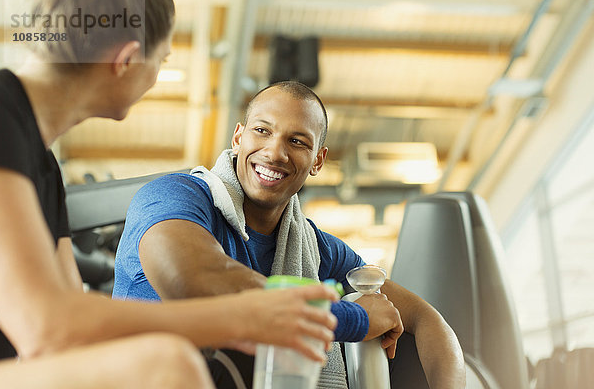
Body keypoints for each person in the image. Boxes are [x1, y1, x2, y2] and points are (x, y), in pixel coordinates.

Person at [0, 0, 340, 387]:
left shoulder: (40, 163)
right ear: (125, 61)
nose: (158, 72)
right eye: (162, 59)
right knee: (167, 364)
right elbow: (45, 328)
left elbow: (69, 321)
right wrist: (243, 317)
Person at [113, 81, 466, 388]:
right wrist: (354, 319)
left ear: (317, 160)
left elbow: (428, 319)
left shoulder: (316, 249)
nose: (275, 152)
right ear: (239, 137)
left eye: (297, 141)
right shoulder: (175, 197)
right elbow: (190, 283)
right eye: (262, 131)